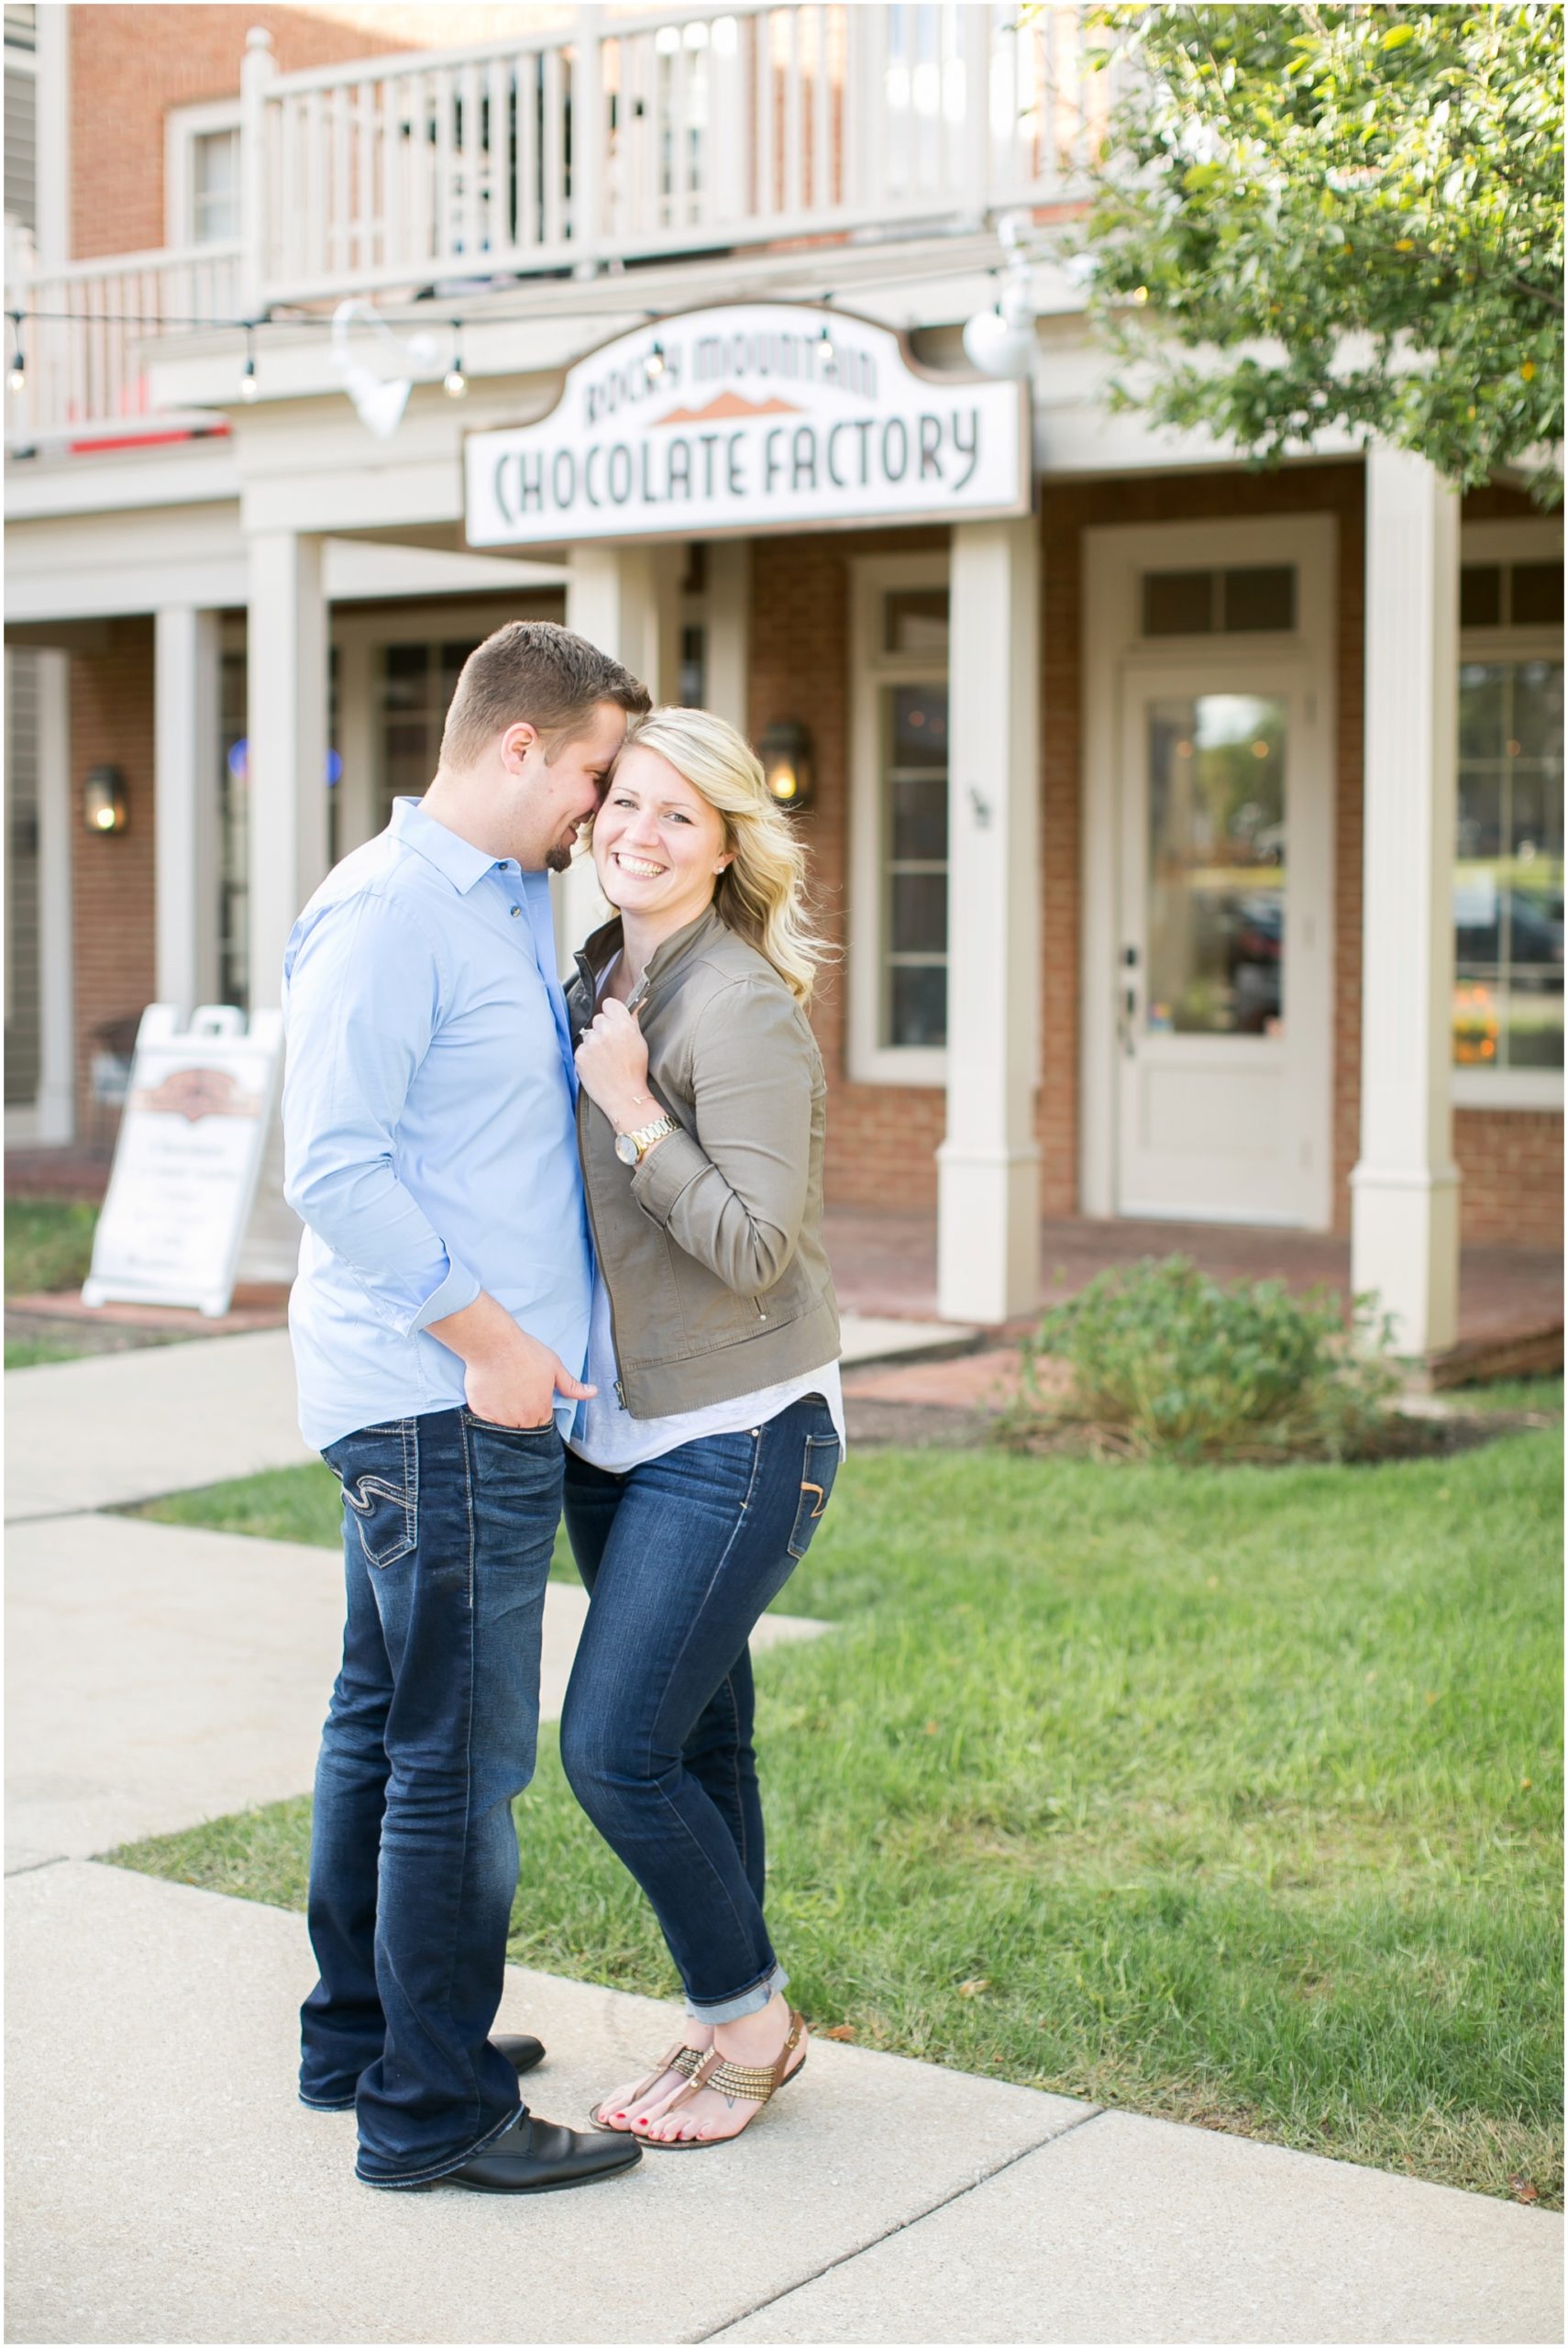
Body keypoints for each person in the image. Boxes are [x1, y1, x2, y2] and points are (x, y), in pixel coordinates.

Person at [282, 620, 652, 2195]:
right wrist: (495, 1348)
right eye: (588, 775)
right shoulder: (386, 914)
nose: (598, 808)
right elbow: (334, 1168)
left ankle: (364, 2034)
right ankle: (432, 2114)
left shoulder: (502, 900)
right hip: (442, 1402)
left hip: (446, 1400)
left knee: (384, 1718)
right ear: (516, 748)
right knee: (457, 1755)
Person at [560, 706, 844, 2150]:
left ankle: (750, 2025)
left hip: (736, 1432)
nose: (637, 833)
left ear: (727, 841)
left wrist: (629, 1113)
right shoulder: (599, 970)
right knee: (700, 1744)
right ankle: (728, 2014)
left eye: (678, 815)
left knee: (612, 1750)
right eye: (622, 802)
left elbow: (754, 1249)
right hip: (617, 1431)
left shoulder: (735, 1006)